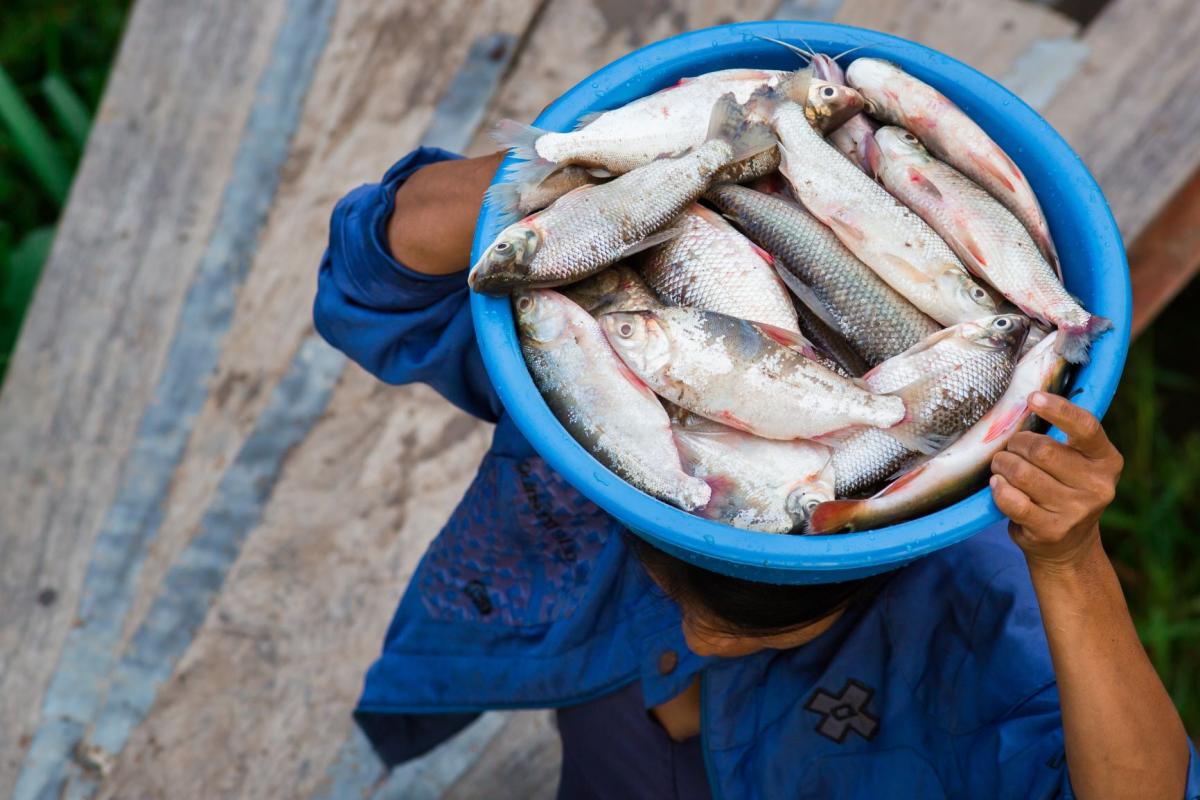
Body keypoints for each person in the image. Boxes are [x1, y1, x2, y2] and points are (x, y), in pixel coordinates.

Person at [314, 146, 1199, 799]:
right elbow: (376, 275)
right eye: (669, 591)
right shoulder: (595, 407)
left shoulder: (974, 604)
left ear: (870, 554)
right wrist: (588, 192)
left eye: (765, 632)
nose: (701, 641)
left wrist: (1071, 559)